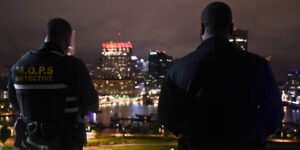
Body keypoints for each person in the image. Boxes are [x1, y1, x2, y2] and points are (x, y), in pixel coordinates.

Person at [158, 2, 284, 150]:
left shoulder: (177, 70)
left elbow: (166, 117)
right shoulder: (259, 65)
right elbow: (275, 115)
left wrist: (191, 134)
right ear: (231, 29)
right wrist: (252, 134)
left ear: (202, 28)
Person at [8, 18, 99, 150]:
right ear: (67, 39)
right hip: (64, 142)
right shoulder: (73, 66)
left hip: (29, 142)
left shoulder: (18, 66)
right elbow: (93, 106)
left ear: (46, 36)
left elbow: (16, 105)